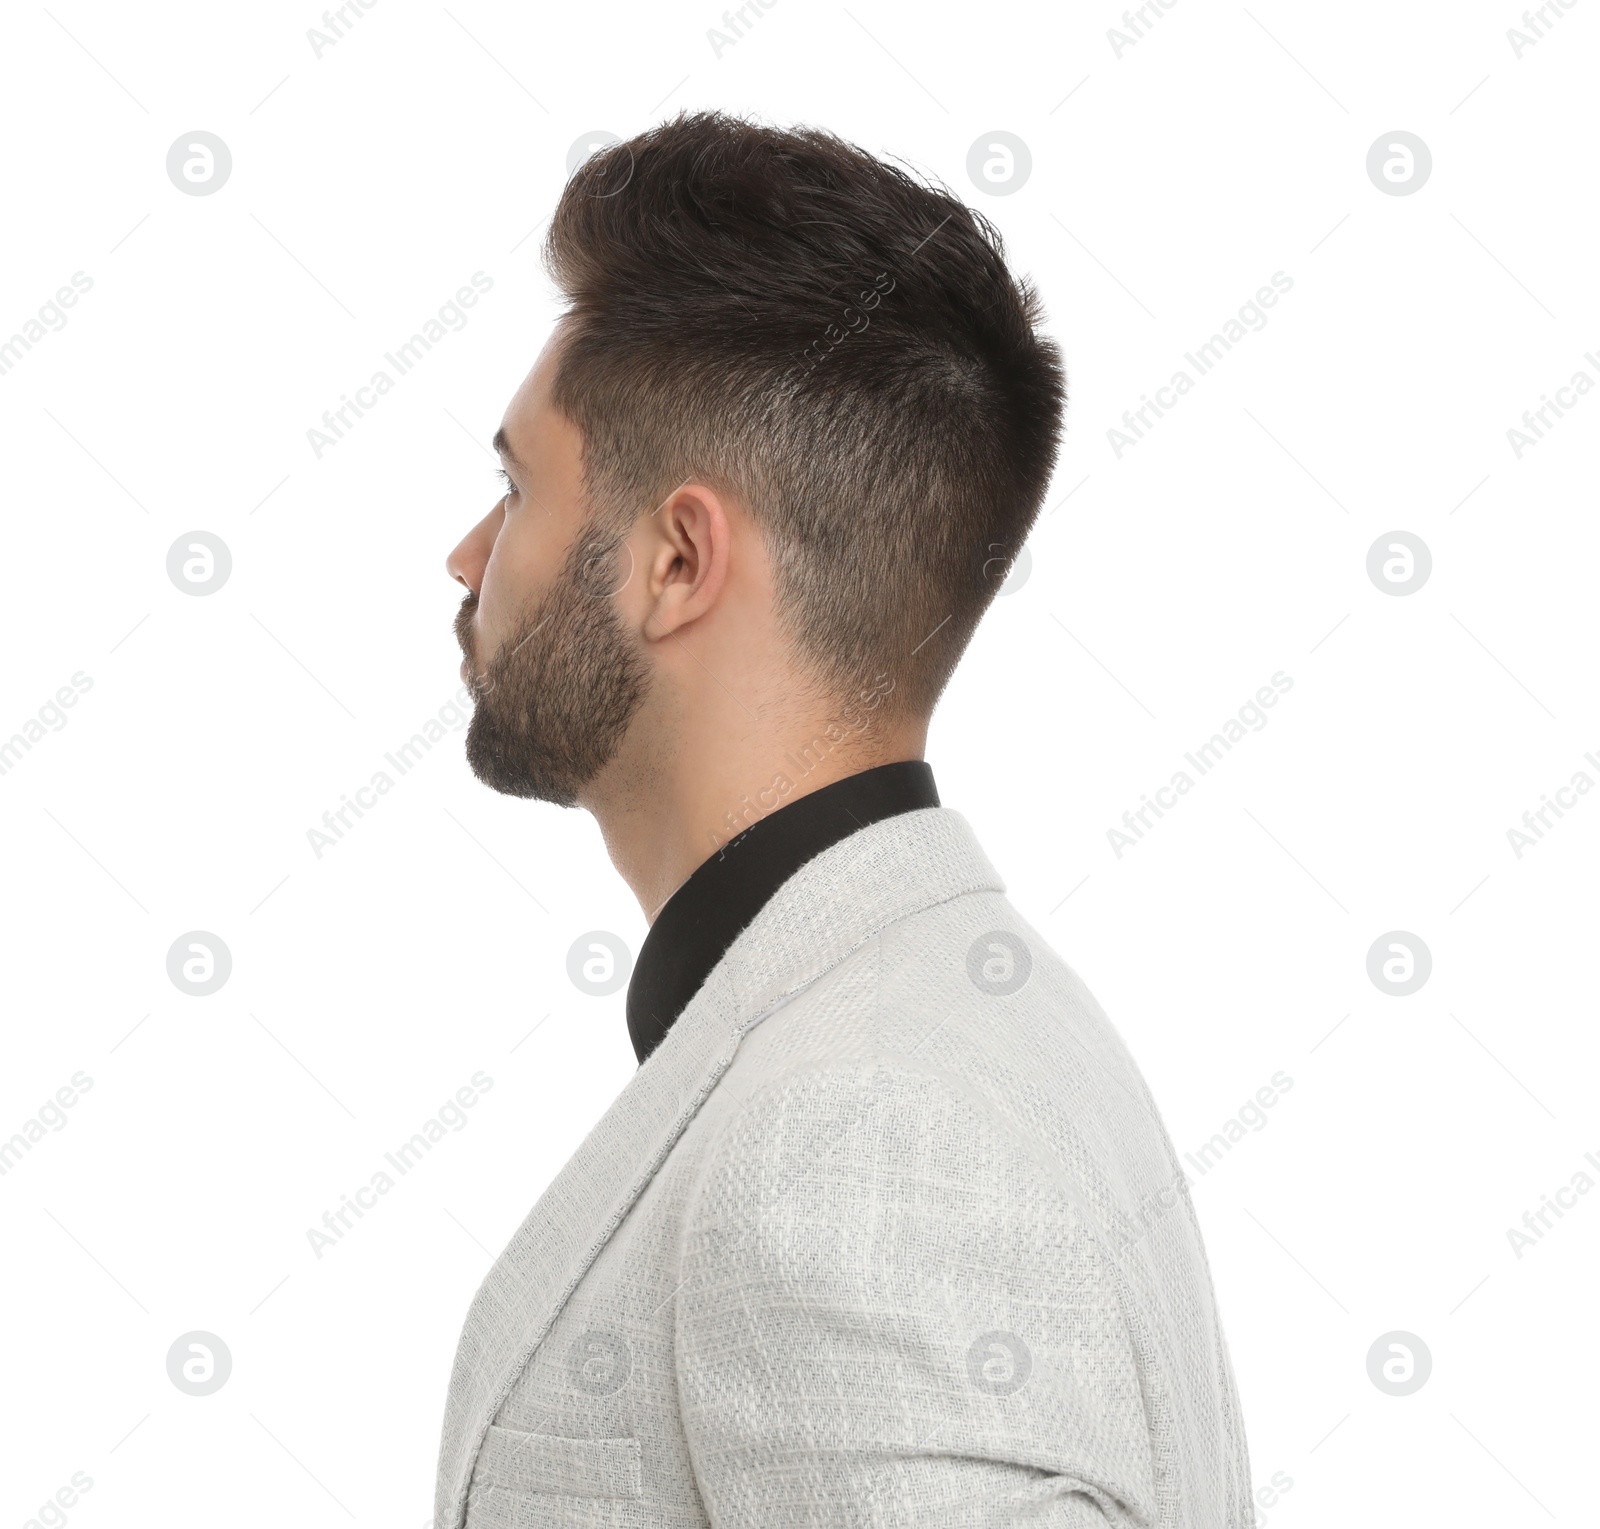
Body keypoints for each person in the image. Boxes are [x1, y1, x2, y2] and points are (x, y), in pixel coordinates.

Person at [434, 109, 1251, 1528]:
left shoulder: (855, 1135)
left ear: (677, 560)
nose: (464, 553)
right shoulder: (965, 1023)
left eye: (514, 486)